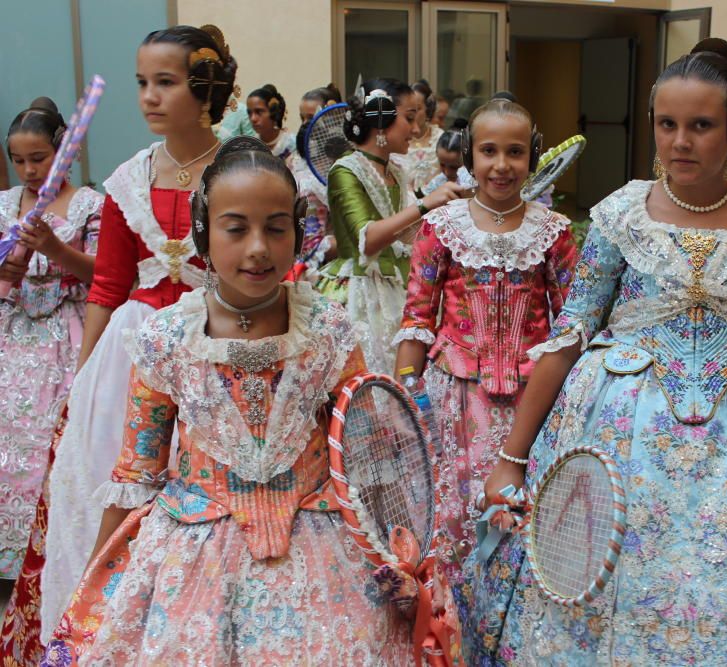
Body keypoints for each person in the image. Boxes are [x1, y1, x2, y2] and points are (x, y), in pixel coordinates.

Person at [460, 38, 727, 665]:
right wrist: (512, 456)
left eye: (701, 125)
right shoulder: (620, 214)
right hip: (618, 434)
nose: (680, 141)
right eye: (667, 125)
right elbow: (568, 337)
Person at [45, 137, 453, 665]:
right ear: (202, 231)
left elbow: (367, 453)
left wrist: (403, 557)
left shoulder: (327, 330)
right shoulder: (166, 340)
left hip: (326, 551)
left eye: (276, 228)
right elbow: (136, 473)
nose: (258, 248)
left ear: (299, 229)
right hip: (192, 555)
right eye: (236, 229)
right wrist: (95, 588)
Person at [3, 27, 236, 660]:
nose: (149, 97)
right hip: (130, 357)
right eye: (142, 83)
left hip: (216, 349)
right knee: (108, 488)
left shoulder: (241, 171)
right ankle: (102, 632)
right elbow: (107, 286)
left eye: (166, 82)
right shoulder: (127, 178)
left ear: (206, 87)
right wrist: (82, 382)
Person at [393, 99, 577, 581]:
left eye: (514, 152)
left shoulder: (554, 232)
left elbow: (572, 323)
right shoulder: (440, 227)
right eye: (489, 151)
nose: (501, 165)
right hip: (455, 399)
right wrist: (404, 398)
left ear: (532, 157)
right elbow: (416, 319)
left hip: (532, 400)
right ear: (469, 156)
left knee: (526, 519)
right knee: (452, 516)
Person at [0, 99, 103, 582]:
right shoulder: (3, 206)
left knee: (56, 443)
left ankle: (51, 559)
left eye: (37, 158)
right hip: (13, 335)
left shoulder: (89, 204)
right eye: (18, 160)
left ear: (63, 151)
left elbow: (106, 274)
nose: (27, 169)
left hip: (69, 334)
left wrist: (56, 251)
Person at [314, 79, 464, 374]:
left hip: (397, 285)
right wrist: (424, 205)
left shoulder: (395, 170)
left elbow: (405, 235)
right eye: (409, 118)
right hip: (358, 291)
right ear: (381, 122)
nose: (416, 129)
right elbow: (367, 240)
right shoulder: (345, 170)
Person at [287, 86, 343, 268]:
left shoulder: (342, 164)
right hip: (297, 253)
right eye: (302, 117)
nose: (305, 124)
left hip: (331, 260)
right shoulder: (293, 161)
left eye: (310, 118)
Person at [397, 80, 445, 195]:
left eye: (417, 109)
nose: (413, 114)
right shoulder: (399, 139)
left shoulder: (440, 137)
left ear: (428, 109)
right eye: (409, 110)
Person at [421, 127, 476, 195]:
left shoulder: (473, 183)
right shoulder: (437, 182)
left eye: (454, 167)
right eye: (442, 165)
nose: (447, 172)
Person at [246, 84, 295, 160]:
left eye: (259, 112)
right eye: (249, 113)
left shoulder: (292, 144)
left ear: (273, 111)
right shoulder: (249, 147)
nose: (253, 119)